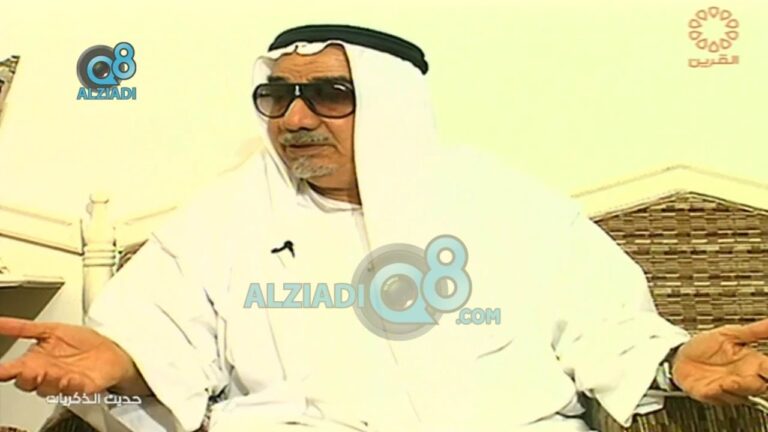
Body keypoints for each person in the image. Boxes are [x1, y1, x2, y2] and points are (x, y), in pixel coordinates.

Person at [1, 24, 768, 432]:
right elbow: (159, 345)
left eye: (329, 95)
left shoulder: (505, 204)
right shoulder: (226, 216)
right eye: (277, 96)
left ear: (393, 108)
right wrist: (123, 363)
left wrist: (673, 365)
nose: (294, 118)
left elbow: (606, 331)